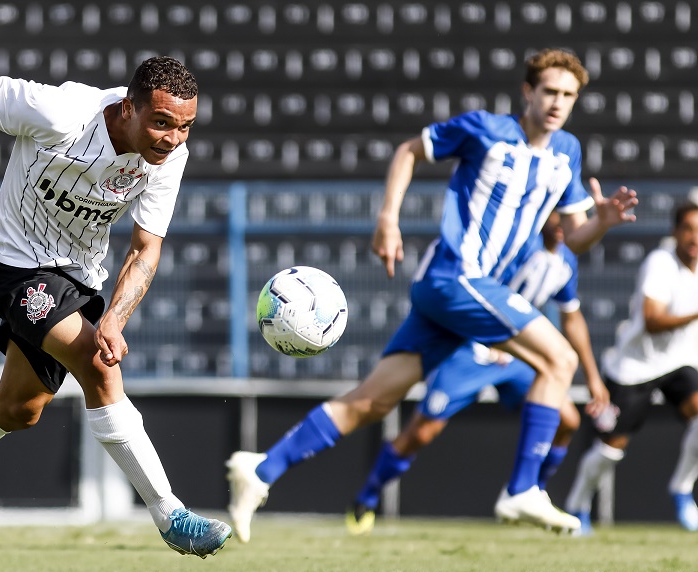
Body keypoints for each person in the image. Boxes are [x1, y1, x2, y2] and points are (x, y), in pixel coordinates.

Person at [226, 48, 638, 543]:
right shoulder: (485, 128)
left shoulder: (566, 152)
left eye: (568, 95)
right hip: (455, 277)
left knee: (373, 402)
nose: (557, 102)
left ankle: (262, 470)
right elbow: (408, 151)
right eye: (549, 91)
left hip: (461, 294)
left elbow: (574, 237)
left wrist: (604, 222)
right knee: (559, 360)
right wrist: (388, 218)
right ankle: (523, 489)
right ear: (527, 92)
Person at [0, 56, 232, 558]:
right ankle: (171, 515)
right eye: (161, 122)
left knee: (18, 409)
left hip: (77, 278)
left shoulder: (169, 157)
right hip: (12, 265)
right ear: (128, 108)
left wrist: (115, 317)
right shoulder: (62, 113)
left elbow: (145, 249)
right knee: (99, 368)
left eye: (185, 127)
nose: (173, 138)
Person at [345, 211, 610, 535]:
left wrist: (593, 377)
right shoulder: (515, 245)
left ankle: (529, 491)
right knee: (421, 433)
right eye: (555, 216)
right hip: (470, 351)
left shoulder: (565, 261)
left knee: (567, 421)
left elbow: (572, 318)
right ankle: (367, 496)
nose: (561, 225)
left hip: (516, 359)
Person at [565, 202, 698, 534]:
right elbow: (653, 321)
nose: (695, 237)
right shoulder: (660, 263)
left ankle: (682, 490)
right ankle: (577, 506)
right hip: (634, 370)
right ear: (675, 232)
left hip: (680, 363)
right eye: (689, 229)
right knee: (611, 449)